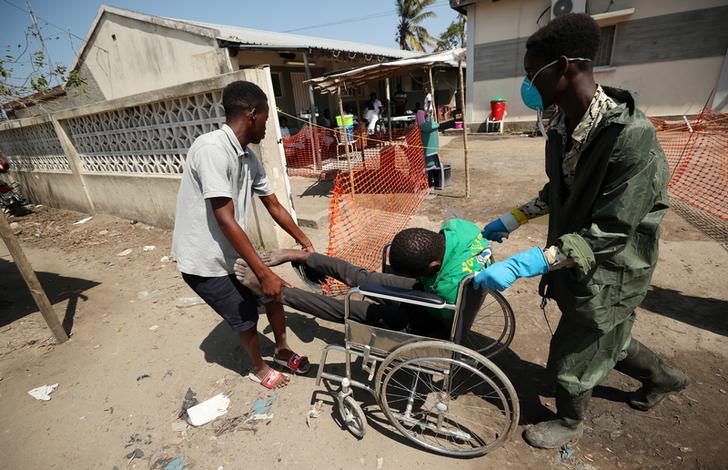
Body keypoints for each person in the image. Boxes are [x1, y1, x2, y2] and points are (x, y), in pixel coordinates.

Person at [474, 14, 688, 449]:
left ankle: (570, 421)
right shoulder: (563, 126)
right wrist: (517, 216)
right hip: (577, 257)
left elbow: (613, 229)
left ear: (565, 66)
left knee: (576, 347)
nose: (527, 83)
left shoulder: (629, 137)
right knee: (609, 335)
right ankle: (665, 378)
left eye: (532, 73)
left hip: (613, 264)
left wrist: (532, 261)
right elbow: (563, 187)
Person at [171, 80, 314, 390]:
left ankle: (282, 348)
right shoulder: (211, 149)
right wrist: (263, 272)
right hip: (204, 260)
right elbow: (225, 219)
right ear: (252, 114)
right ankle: (258, 366)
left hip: (231, 252)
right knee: (246, 316)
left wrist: (303, 241)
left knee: (274, 294)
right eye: (265, 117)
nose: (267, 126)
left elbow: (274, 205)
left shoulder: (248, 159)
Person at [234, 219, 492, 335]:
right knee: (363, 278)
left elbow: (441, 318)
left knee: (346, 307)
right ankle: (302, 256)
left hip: (433, 314)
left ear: (433, 265)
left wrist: (392, 298)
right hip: (433, 288)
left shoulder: (447, 285)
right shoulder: (462, 230)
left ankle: (278, 292)